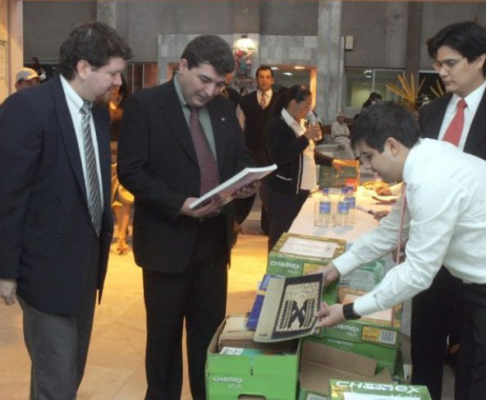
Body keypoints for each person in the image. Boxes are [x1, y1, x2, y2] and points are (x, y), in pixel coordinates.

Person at [315, 101, 486, 400]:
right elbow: (390, 230)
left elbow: (418, 273)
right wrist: (335, 269)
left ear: (392, 145)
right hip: (474, 285)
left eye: (369, 157)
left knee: (477, 381)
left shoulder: (430, 182)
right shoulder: (424, 158)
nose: (368, 168)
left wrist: (350, 311)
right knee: (470, 372)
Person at [117, 34, 255, 400]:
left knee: (208, 341)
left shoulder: (224, 109)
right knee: (163, 344)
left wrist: (244, 184)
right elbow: (131, 171)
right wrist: (180, 203)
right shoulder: (146, 105)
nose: (210, 91)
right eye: (204, 80)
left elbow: (239, 159)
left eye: (219, 84)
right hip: (166, 244)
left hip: (212, 245)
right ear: (183, 66)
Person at [0, 21, 132, 400]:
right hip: (44, 270)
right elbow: (9, 194)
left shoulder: (99, 111)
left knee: (65, 374)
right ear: (84, 67)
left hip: (85, 265)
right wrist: (6, 269)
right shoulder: (28, 108)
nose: (117, 83)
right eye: (113, 73)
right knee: (57, 379)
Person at [412, 20, 486, 400]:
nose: (441, 72)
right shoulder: (432, 112)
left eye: (450, 63)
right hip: (433, 251)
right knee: (425, 345)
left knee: (473, 359)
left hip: (476, 260)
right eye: (437, 63)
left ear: (479, 60)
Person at [260, 85, 346, 251]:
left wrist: (331, 161)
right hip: (282, 192)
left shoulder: (299, 124)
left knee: (294, 238)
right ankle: (275, 274)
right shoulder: (277, 125)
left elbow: (307, 153)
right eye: (306, 105)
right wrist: (306, 137)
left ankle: (290, 273)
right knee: (280, 238)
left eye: (310, 106)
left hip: (300, 191)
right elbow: (280, 157)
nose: (309, 109)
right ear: (293, 103)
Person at [236, 65, 277, 235]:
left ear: (272, 80)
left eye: (268, 77)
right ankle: (235, 223)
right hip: (251, 153)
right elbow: (239, 129)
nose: (264, 80)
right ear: (256, 80)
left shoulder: (280, 101)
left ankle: (268, 227)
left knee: (270, 192)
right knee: (246, 190)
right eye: (261, 77)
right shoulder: (245, 102)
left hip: (272, 154)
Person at [108, 76, 133, 254]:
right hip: (104, 155)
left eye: (117, 84)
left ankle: (122, 237)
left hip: (124, 154)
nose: (114, 87)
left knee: (124, 197)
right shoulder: (97, 103)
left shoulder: (129, 105)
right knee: (109, 198)